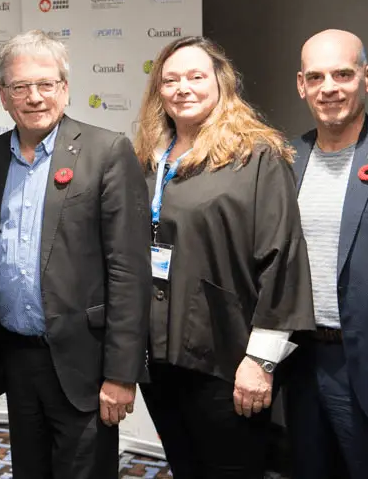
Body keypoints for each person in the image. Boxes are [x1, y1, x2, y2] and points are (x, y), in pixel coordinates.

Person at [0, 30, 151, 479]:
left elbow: (129, 270)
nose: (34, 97)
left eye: (46, 84)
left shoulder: (106, 151)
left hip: (84, 363)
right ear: (3, 96)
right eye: (20, 86)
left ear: (65, 88)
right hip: (17, 359)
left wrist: (121, 373)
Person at [131, 36, 314, 479]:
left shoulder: (256, 155)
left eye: (196, 76)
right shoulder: (148, 158)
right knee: (185, 466)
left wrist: (261, 361)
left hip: (227, 359)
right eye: (170, 80)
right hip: (159, 357)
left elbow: (282, 257)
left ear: (221, 83)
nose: (183, 88)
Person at [285, 29, 368, 479]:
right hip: (302, 362)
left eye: (343, 74)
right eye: (316, 77)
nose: (329, 88)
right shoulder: (286, 160)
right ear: (301, 85)